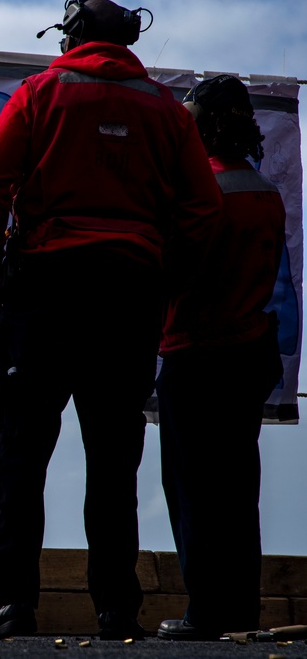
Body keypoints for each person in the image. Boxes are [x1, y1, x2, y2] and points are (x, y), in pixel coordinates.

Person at [0, 0, 223, 641]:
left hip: (44, 289)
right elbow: (203, 210)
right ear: (129, 40)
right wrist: (166, 282)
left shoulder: (39, 93)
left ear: (72, 37)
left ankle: (12, 603)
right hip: (129, 295)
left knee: (21, 453)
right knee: (114, 459)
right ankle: (116, 609)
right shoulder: (167, 110)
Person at [156, 75, 285, 641]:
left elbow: (174, 275)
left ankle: (205, 612)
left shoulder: (194, 194)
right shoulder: (266, 192)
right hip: (249, 355)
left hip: (195, 356)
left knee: (193, 492)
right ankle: (241, 612)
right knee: (238, 492)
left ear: (201, 124)